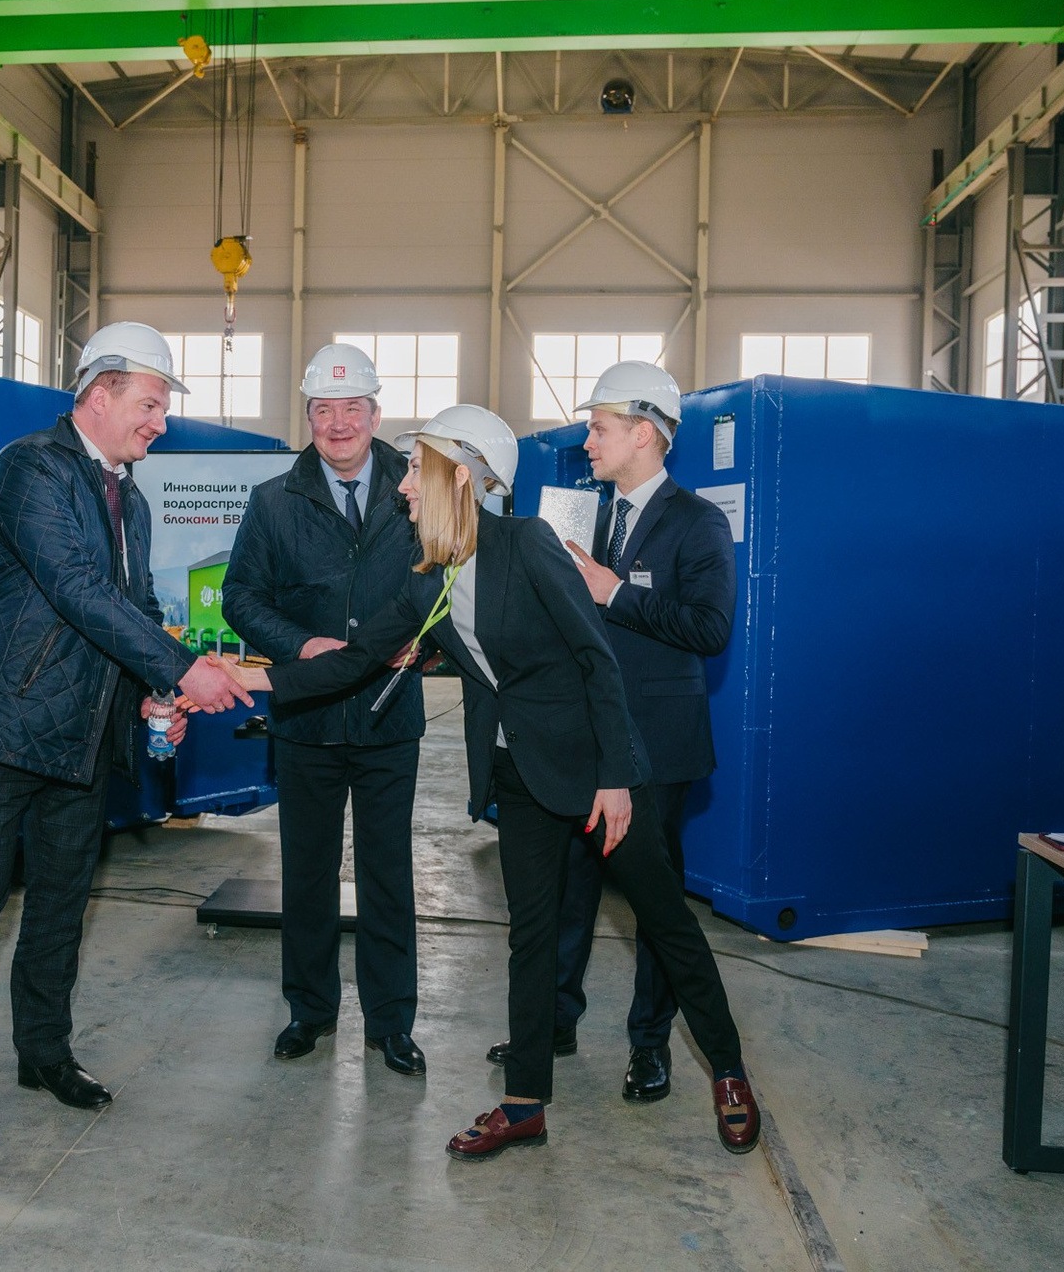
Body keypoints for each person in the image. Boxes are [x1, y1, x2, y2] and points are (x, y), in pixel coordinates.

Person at [221, 405, 760, 1160]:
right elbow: (353, 663)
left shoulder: (527, 544)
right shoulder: (426, 581)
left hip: (594, 771)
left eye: (417, 468)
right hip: (521, 773)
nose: (402, 485)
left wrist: (615, 780)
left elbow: (596, 661)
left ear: (461, 477)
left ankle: (728, 1071)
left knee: (666, 921)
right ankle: (525, 1104)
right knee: (531, 937)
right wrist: (245, 679)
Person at [0, 322, 254, 1179]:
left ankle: (45, 1055)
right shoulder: (29, 469)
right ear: (99, 394)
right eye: (150, 404)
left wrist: (156, 695)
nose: (160, 422)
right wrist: (184, 669)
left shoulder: (132, 500)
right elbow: (77, 589)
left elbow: (133, 612)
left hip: (82, 739)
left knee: (61, 910)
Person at [487, 361, 746, 1110]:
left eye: (599, 428)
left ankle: (650, 1044)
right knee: (567, 888)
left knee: (654, 904)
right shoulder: (578, 518)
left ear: (644, 433)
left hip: (658, 744)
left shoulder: (699, 522)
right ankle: (554, 1021)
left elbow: (710, 627)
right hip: (577, 739)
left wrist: (615, 591)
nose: (588, 442)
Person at [222, 343, 429, 1075]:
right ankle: (309, 1010)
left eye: (352, 409)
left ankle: (391, 1021)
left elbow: (450, 580)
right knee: (307, 874)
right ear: (307, 415)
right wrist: (300, 645)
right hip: (306, 720)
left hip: (386, 715)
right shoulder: (275, 500)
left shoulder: (418, 489)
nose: (338, 424)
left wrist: (426, 646)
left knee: (387, 874)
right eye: (323, 410)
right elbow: (240, 596)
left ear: (376, 413)